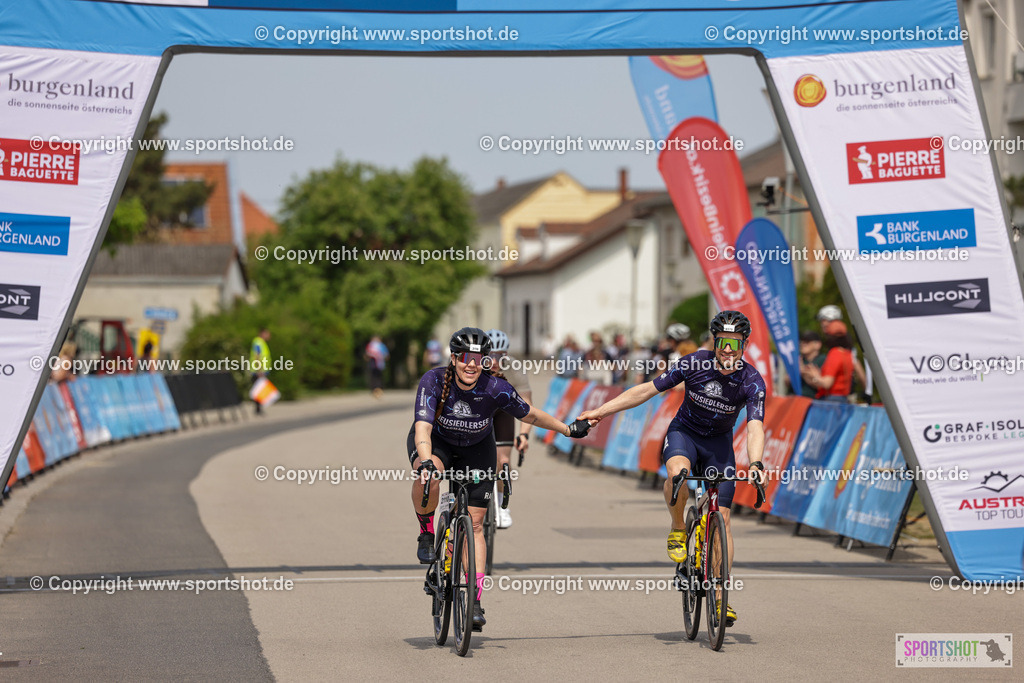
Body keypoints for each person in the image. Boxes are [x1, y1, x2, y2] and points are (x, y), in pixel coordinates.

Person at [579, 310, 767, 626]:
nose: (727, 350)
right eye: (722, 342)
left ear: (744, 345)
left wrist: (757, 463)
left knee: (723, 519)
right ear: (714, 341)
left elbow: (754, 427)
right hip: (685, 434)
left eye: (734, 343)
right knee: (678, 473)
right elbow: (646, 390)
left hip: (719, 445)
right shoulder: (694, 363)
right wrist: (601, 411)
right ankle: (679, 527)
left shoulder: (751, 380)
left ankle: (721, 597)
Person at [410, 327, 591, 631]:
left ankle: (475, 601)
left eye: (479, 359)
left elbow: (530, 414)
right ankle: (427, 533)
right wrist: (426, 460)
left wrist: (567, 429)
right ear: (454, 359)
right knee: (428, 477)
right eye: (465, 358)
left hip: (477, 449)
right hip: (437, 443)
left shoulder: (495, 387)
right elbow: (422, 428)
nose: (472, 364)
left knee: (475, 525)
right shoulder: (434, 380)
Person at [486, 328, 533, 528]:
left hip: (502, 411)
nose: (494, 361)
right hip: (477, 411)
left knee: (502, 460)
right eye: (490, 355)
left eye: (500, 356)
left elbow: (527, 407)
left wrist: (524, 435)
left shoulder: (514, 368)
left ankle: (502, 505)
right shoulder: (473, 365)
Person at [816, 305, 867, 391]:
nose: (822, 325)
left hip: (840, 392)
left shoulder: (840, 343)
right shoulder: (838, 341)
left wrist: (866, 391)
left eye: (824, 321)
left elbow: (858, 369)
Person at [804, 322, 854, 402]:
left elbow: (827, 383)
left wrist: (815, 376)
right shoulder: (848, 354)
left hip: (831, 399)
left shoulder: (834, 353)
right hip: (843, 398)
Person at [797, 330, 825, 398]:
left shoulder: (823, 360)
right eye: (801, 341)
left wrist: (803, 372)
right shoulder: (798, 359)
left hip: (814, 400)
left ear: (818, 344)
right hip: (796, 399)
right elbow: (786, 381)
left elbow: (822, 386)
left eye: (807, 341)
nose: (802, 344)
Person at [249, 328, 271, 415]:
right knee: (258, 390)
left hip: (261, 370)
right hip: (258, 371)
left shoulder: (261, 343)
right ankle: (258, 409)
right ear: (262, 333)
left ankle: (259, 409)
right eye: (267, 334)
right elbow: (257, 356)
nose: (269, 336)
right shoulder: (258, 342)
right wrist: (259, 370)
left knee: (260, 389)